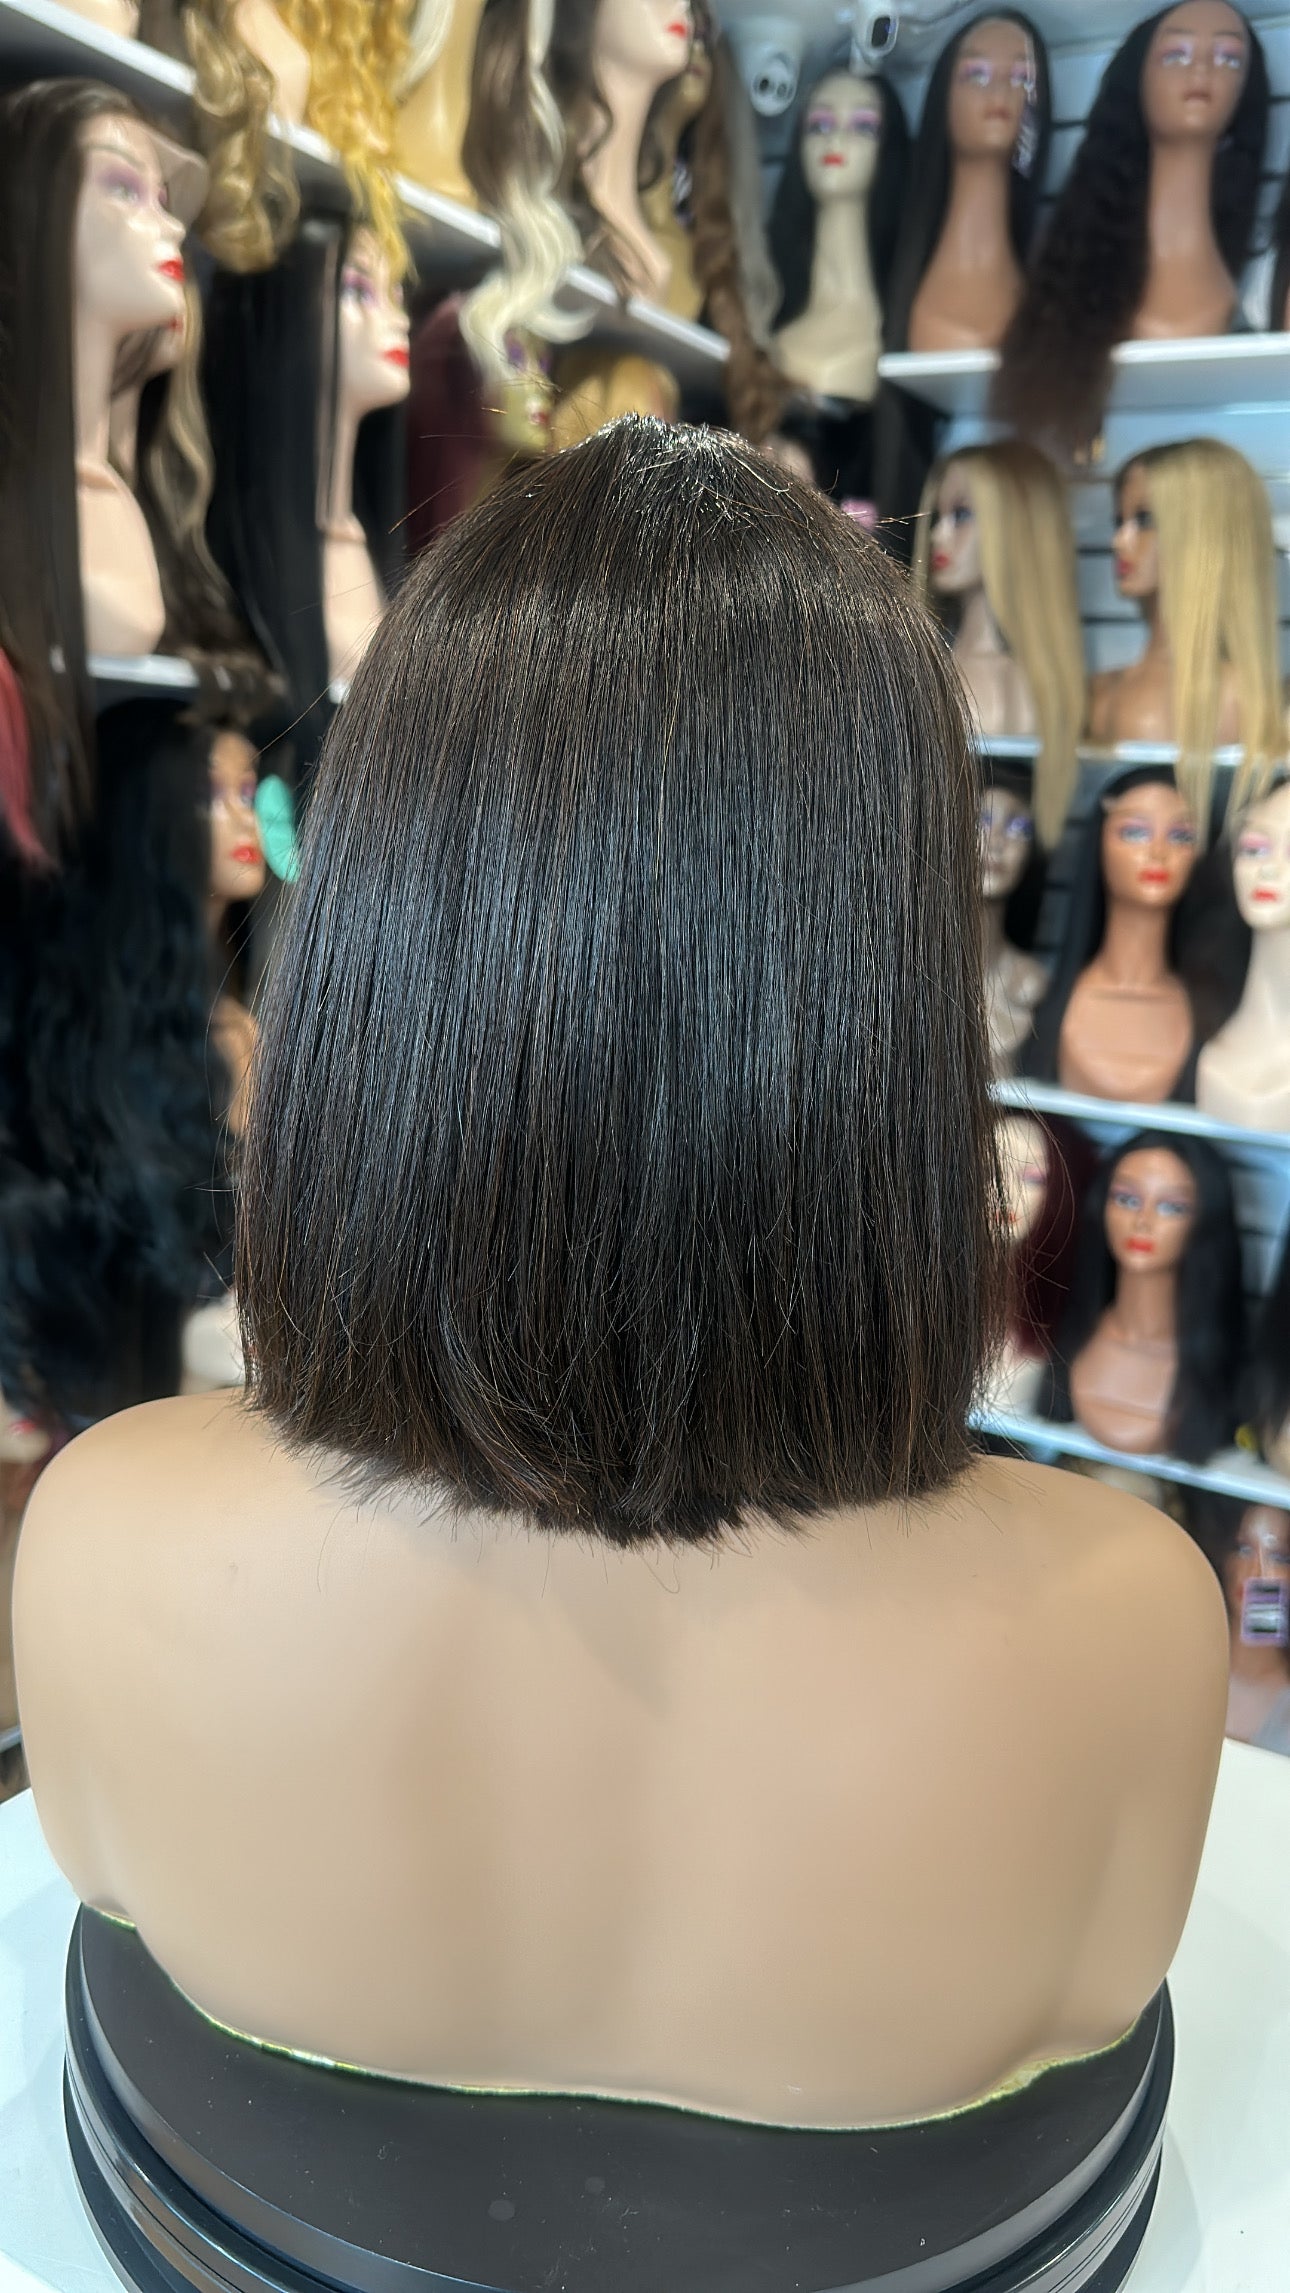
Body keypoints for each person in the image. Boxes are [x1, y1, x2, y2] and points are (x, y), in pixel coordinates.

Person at [15, 418, 1226, 2134]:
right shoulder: (1133, 1633)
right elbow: (1106, 1977)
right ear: (884, 983)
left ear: (382, 936)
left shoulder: (100, 1540)